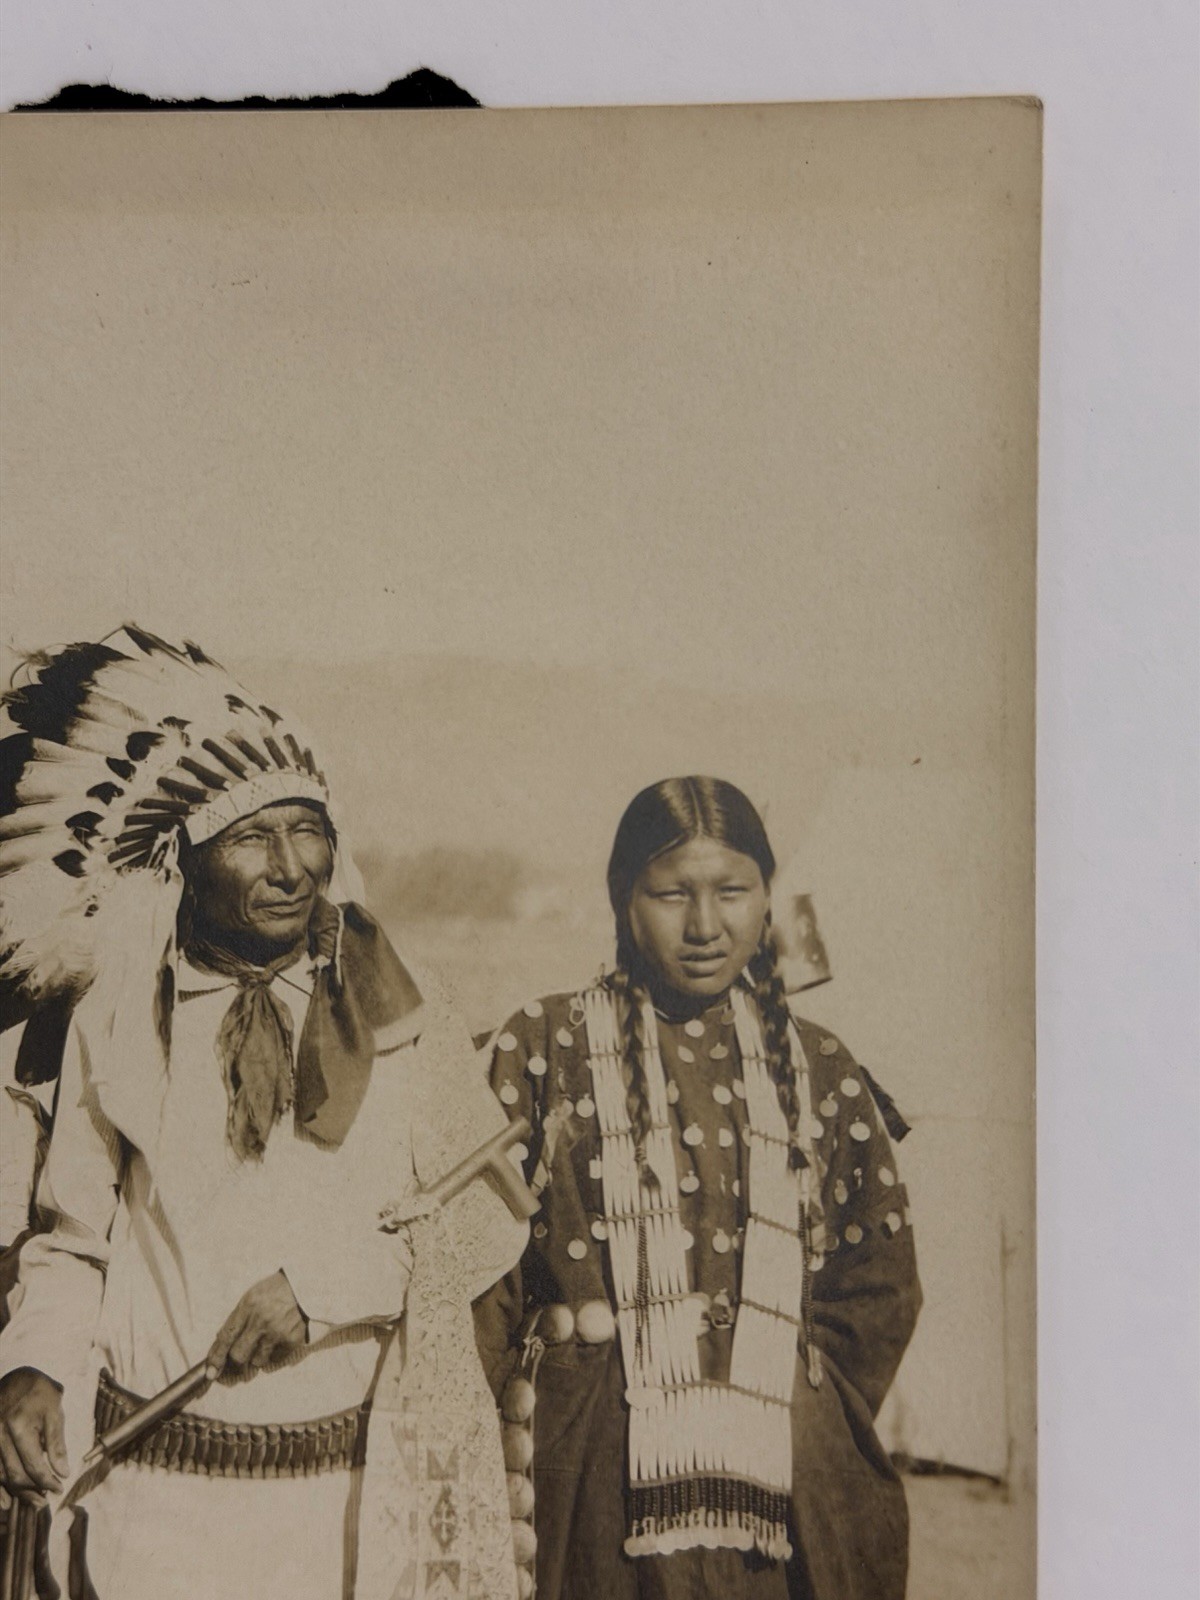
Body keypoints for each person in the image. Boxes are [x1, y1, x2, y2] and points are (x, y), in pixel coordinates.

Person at [0, 626, 527, 1600]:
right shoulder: (116, 1013)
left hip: (339, 1508)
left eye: (308, 830)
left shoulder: (397, 1008)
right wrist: (31, 1365)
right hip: (151, 1504)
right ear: (188, 860)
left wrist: (321, 1285)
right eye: (251, 836)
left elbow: (473, 1214)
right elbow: (75, 1235)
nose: (292, 866)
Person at [474, 777, 921, 1600]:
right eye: (672, 893)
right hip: (591, 1481)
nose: (707, 926)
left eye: (734, 892)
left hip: (789, 1481)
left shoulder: (820, 1069)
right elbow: (481, 1284)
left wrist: (785, 1395)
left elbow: (879, 1287)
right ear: (622, 899)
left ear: (768, 899)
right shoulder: (542, 1048)